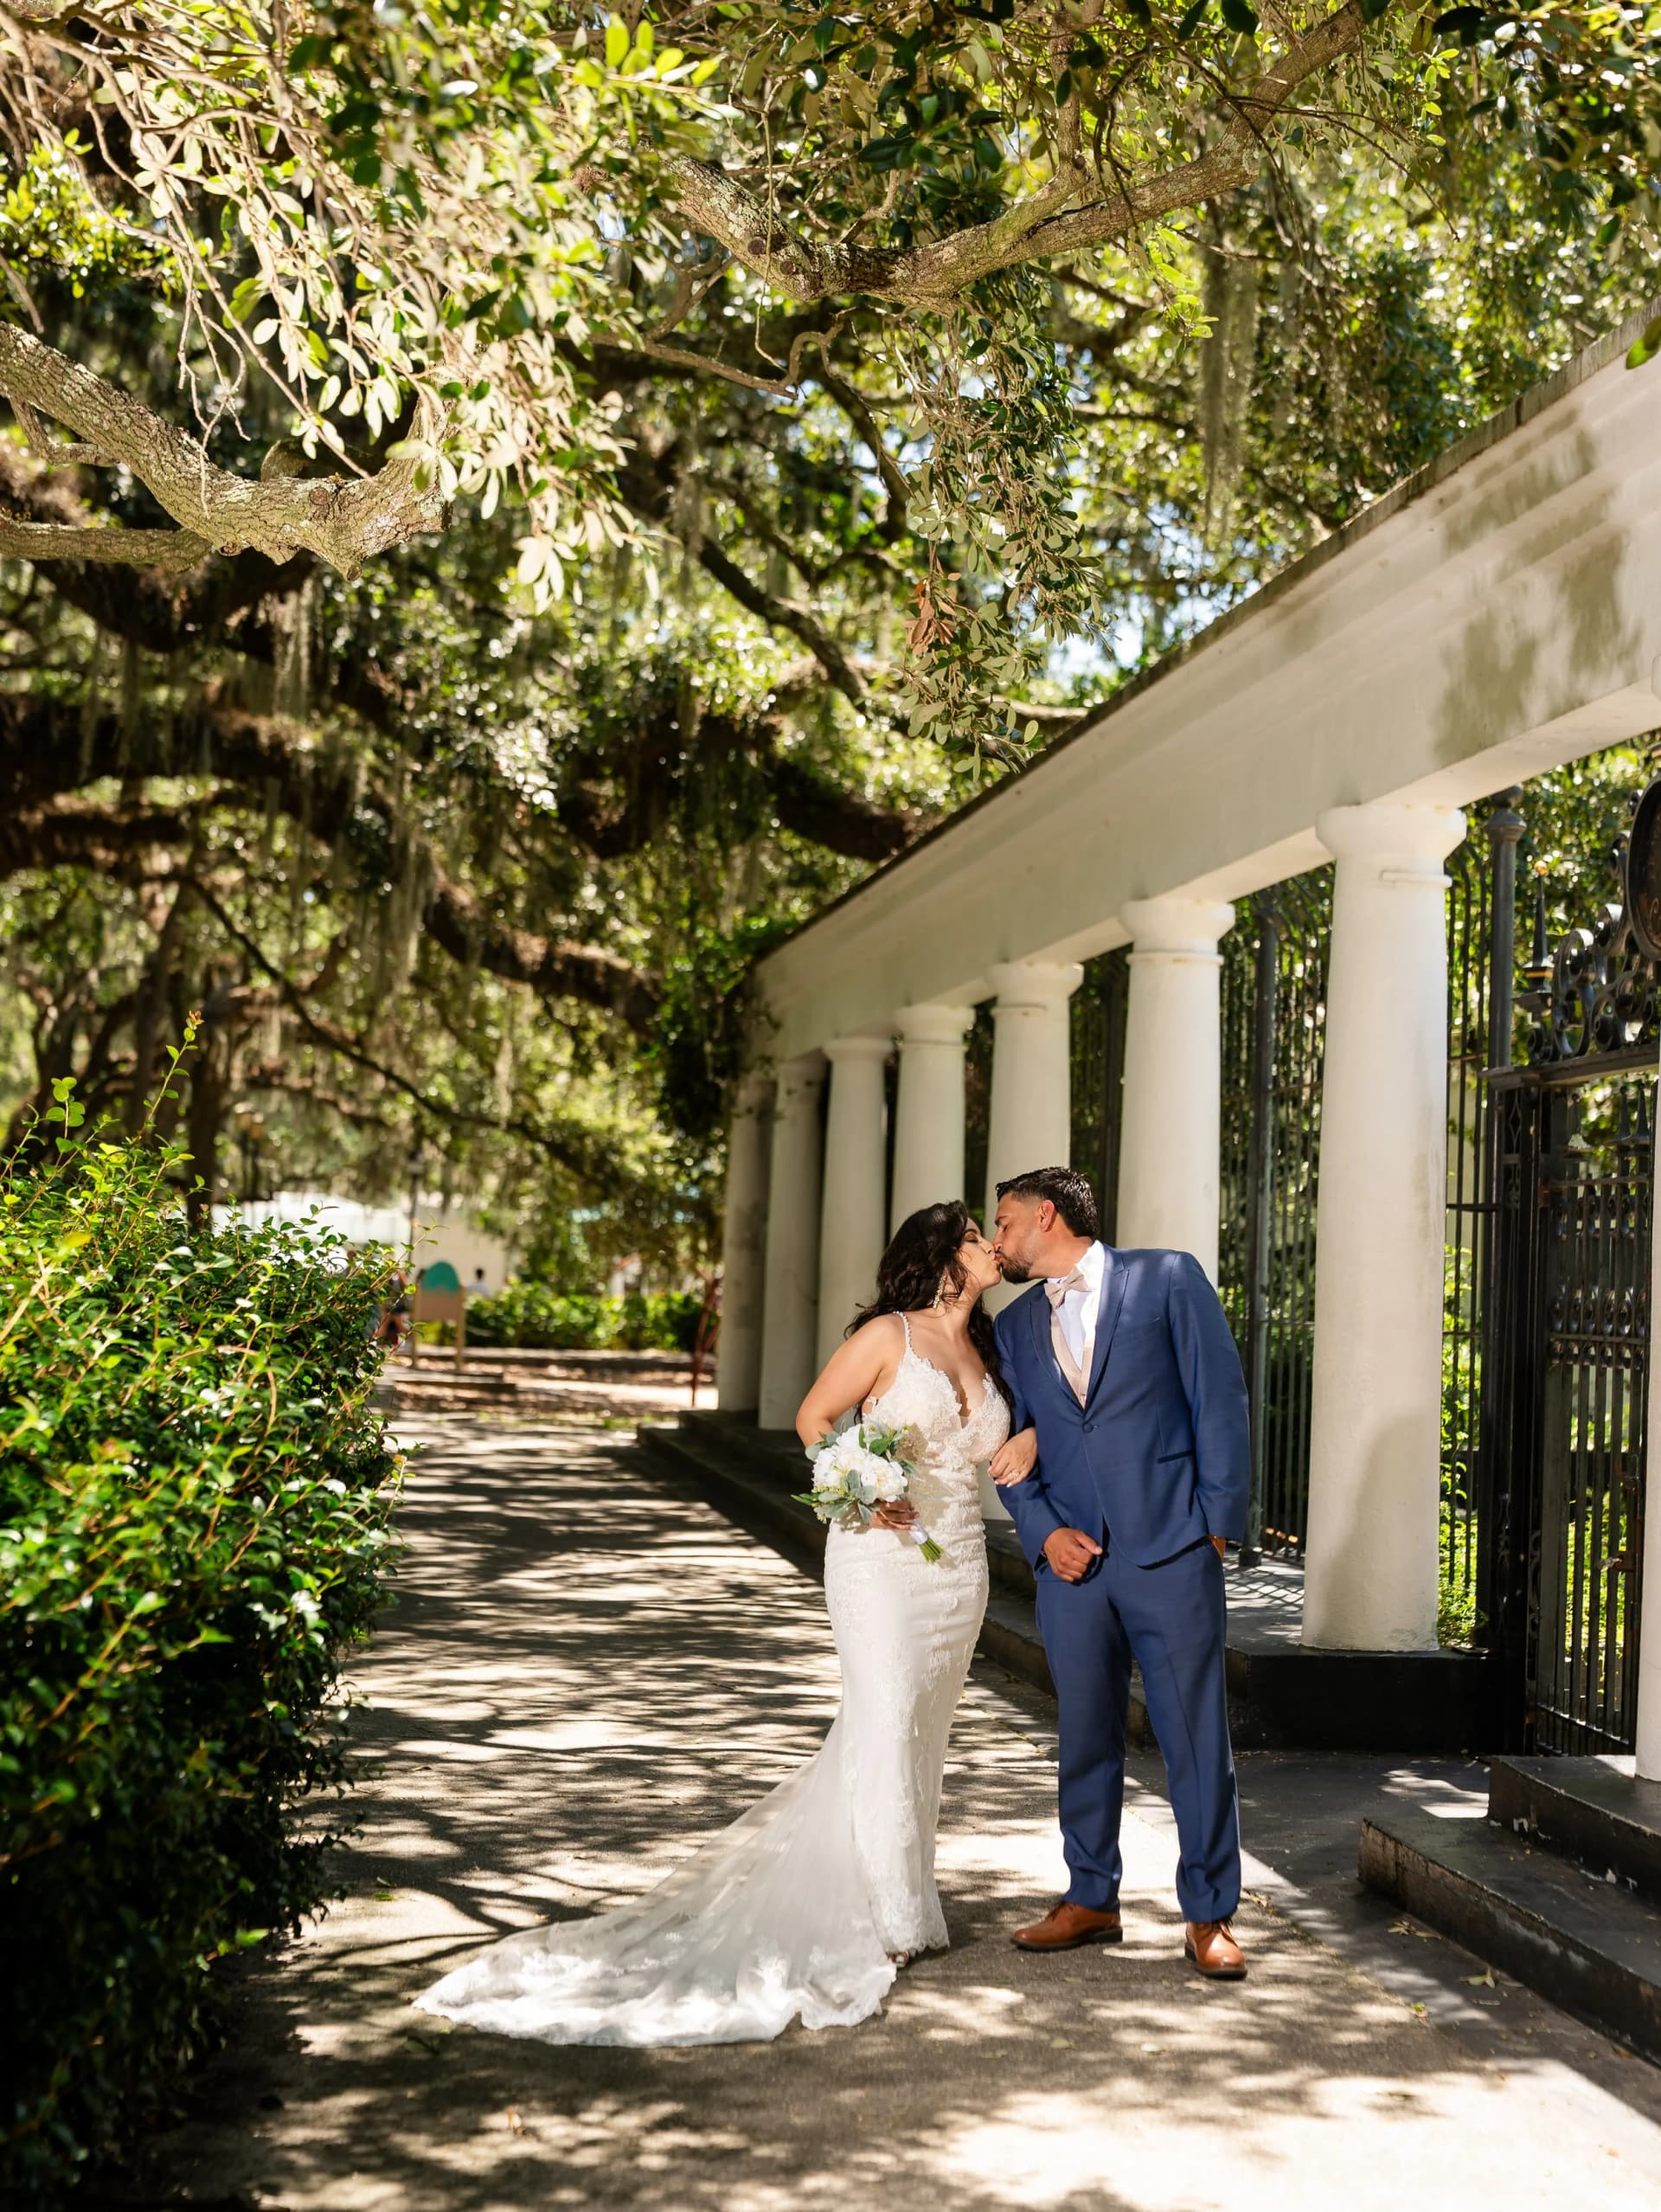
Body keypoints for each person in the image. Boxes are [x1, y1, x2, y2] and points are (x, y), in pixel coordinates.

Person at [416, 1199, 1023, 2046]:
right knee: (882, 1721)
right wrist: (858, 1483)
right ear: (943, 1254)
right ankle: (882, 1922)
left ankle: (906, 1898)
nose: (993, 1245)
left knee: (923, 1731)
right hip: (879, 1561)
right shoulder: (891, 1335)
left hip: (959, 1568)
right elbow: (817, 1419)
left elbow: (1002, 1444)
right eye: (975, 1236)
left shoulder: (989, 1345)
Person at [987, 1164, 1252, 1982]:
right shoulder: (1017, 1324)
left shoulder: (1168, 1278)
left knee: (1194, 1740)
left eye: (1003, 1223)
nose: (997, 1240)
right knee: (1083, 1735)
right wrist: (1041, 1534)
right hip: (1075, 1566)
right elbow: (1013, 1447)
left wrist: (1214, 1530)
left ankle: (1209, 1915)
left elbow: (1222, 1401)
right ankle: (1090, 1895)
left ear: (1048, 1214)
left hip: (1171, 1551)